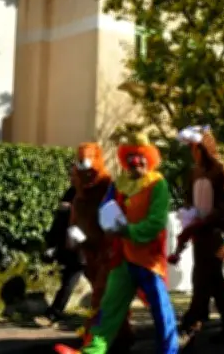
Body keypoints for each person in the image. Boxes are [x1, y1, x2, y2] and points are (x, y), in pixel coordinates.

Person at [55, 133, 179, 354]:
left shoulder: (157, 184)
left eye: (140, 157)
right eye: (130, 157)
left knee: (160, 308)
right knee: (109, 307)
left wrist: (128, 230)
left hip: (148, 259)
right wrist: (104, 227)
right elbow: (104, 208)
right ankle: (92, 351)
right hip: (122, 256)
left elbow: (156, 221)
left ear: (149, 158)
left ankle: (169, 351)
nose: (135, 162)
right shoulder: (119, 184)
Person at [169, 126, 224, 347]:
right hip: (199, 233)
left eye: (197, 148)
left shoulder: (222, 170)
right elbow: (189, 197)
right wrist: (188, 215)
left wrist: (209, 218)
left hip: (216, 233)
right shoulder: (195, 171)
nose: (194, 152)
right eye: (192, 148)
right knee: (211, 280)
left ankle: (192, 323)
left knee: (205, 277)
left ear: (206, 148)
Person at [67, 143, 133, 350]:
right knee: (104, 294)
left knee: (103, 295)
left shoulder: (108, 188)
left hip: (108, 251)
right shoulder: (80, 192)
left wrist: (111, 245)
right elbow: (75, 217)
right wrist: (73, 236)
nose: (85, 174)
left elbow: (115, 218)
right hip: (89, 251)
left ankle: (97, 337)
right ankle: (120, 335)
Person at [36, 183, 81, 326]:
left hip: (86, 243)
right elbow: (60, 220)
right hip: (77, 243)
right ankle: (53, 314)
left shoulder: (94, 190)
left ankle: (53, 314)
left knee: (73, 277)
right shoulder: (74, 190)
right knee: (70, 278)